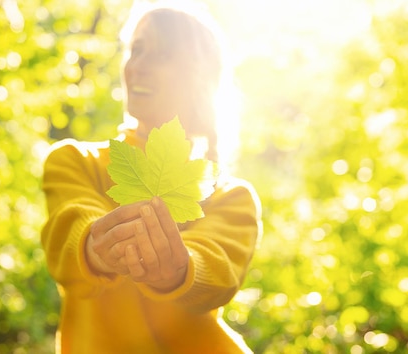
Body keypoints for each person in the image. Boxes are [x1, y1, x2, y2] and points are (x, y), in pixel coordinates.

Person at [41, 2, 262, 353]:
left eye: (161, 55)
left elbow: (217, 272)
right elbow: (68, 229)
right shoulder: (75, 161)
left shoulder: (229, 196)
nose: (139, 66)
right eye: (136, 50)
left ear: (198, 76)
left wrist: (178, 270)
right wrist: (97, 247)